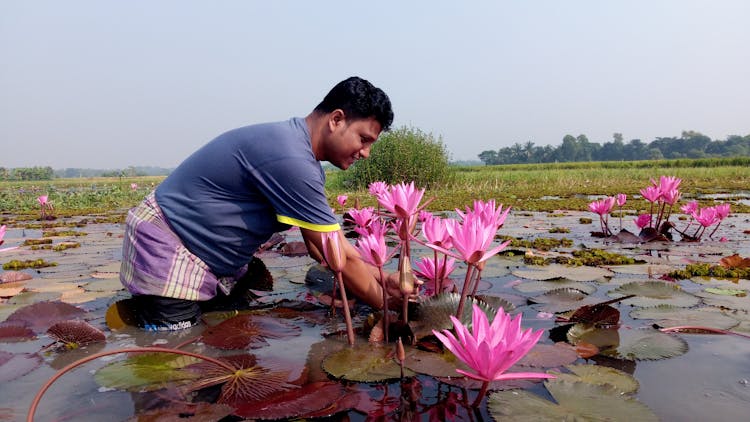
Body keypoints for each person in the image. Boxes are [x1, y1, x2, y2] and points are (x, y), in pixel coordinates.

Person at [119, 76, 402, 331]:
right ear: (336, 120)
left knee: (219, 346)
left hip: (205, 257)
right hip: (169, 245)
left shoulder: (301, 156)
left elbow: (322, 249)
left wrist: (379, 276)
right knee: (179, 368)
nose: (366, 152)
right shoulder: (291, 159)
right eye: (364, 139)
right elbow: (343, 257)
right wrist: (395, 312)